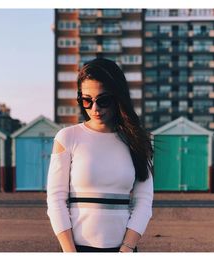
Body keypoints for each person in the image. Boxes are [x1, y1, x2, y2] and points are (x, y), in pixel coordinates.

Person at [46, 58, 154, 252]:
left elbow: (144, 201)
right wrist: (70, 253)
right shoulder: (67, 138)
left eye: (103, 100)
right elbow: (55, 199)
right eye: (86, 100)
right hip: (76, 249)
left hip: (124, 250)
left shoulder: (138, 140)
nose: (95, 109)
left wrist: (127, 249)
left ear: (118, 98)